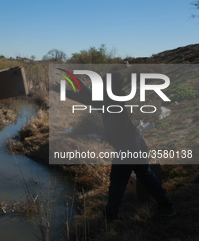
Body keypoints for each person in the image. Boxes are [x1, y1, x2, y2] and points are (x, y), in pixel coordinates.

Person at [55, 70, 175, 220]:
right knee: (146, 175)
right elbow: (87, 95)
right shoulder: (114, 96)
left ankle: (111, 214)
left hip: (127, 147)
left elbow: (87, 96)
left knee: (118, 181)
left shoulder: (109, 99)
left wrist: (61, 88)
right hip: (136, 142)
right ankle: (167, 206)